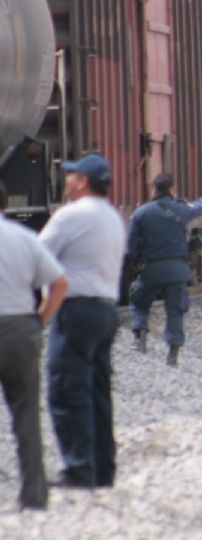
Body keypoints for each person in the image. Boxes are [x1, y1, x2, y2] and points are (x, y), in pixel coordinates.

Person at [39, 153, 125, 489]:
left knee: (67, 388)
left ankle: (78, 468)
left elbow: (37, 254)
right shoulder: (113, 216)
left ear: (83, 182)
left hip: (76, 312)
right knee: (98, 391)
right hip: (105, 311)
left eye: (71, 175)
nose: (67, 180)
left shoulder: (71, 215)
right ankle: (103, 469)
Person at [0, 182, 69, 510]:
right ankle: (34, 494)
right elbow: (59, 283)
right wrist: (39, 322)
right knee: (26, 413)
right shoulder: (24, 238)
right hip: (19, 330)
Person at [127, 173, 202, 366]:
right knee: (175, 310)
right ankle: (172, 354)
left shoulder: (141, 213)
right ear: (171, 189)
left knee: (140, 303)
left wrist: (136, 264)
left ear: (154, 189)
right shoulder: (181, 209)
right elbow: (201, 207)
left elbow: (132, 246)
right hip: (177, 270)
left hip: (150, 269)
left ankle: (140, 340)